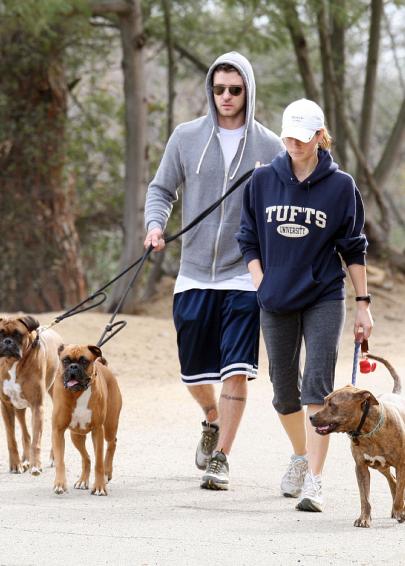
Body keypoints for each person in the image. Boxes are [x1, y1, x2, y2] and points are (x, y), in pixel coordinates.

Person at [144, 52, 283, 490]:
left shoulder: (270, 146)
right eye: (219, 89)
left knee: (236, 367)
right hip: (194, 270)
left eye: (235, 90)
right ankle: (211, 417)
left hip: (246, 272)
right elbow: (162, 188)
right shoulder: (186, 137)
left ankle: (221, 456)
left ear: (248, 92)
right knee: (193, 370)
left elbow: (284, 206)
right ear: (211, 90)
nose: (226, 97)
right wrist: (154, 226)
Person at [237, 98, 373, 511]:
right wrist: (262, 284)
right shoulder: (261, 182)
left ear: (319, 136)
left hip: (323, 296)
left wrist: (363, 304)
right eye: (289, 135)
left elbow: (353, 248)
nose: (294, 143)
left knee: (317, 384)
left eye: (303, 136)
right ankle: (300, 455)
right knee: (283, 391)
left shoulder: (341, 185)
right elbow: (248, 238)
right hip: (275, 297)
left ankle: (314, 480)